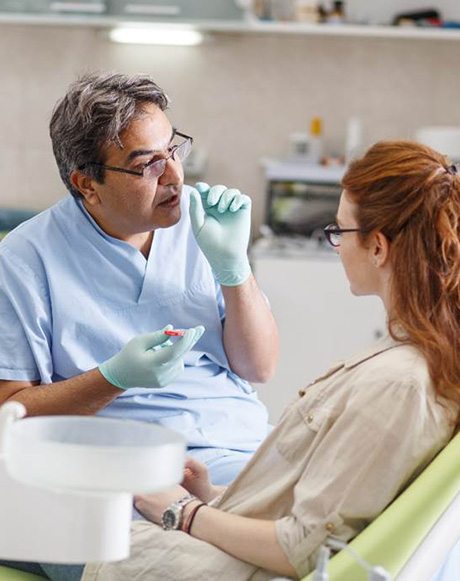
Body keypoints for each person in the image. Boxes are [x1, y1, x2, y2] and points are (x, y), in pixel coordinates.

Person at [34, 139, 459, 581]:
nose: (335, 245)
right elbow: (322, 502)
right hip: (230, 526)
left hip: (218, 565)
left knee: (40, 522)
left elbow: (301, 547)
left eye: (339, 231)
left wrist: (184, 511)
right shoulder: (415, 364)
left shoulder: (398, 384)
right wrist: (213, 495)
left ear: (379, 248)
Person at [0, 72, 279, 486]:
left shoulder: (201, 223)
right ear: (87, 185)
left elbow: (259, 367)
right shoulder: (26, 260)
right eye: (147, 164)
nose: (173, 176)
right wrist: (113, 378)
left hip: (243, 444)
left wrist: (235, 270)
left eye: (173, 150)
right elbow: (11, 411)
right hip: (132, 466)